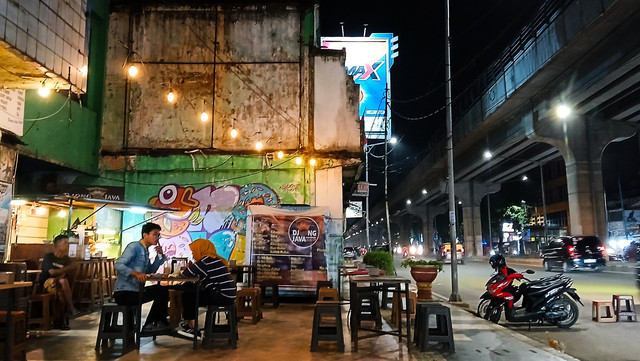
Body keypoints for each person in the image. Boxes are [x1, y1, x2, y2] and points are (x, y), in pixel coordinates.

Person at [114, 222, 170, 332]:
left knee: (162, 290)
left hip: (137, 290)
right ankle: (152, 324)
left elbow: (150, 270)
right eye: (154, 234)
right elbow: (118, 264)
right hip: (125, 292)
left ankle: (156, 322)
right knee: (161, 292)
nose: (157, 237)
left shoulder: (145, 250)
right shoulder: (134, 246)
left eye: (158, 235)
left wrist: (160, 256)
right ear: (145, 235)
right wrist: (136, 273)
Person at [177, 238, 237, 338]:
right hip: (228, 295)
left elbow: (186, 274)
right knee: (192, 291)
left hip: (221, 295)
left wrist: (190, 266)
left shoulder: (205, 261)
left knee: (188, 295)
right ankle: (190, 324)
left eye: (194, 252)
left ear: (200, 250)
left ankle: (192, 327)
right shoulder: (215, 259)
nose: (193, 255)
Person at [40, 234, 79, 329]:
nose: (67, 245)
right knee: (63, 281)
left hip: (59, 284)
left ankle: (60, 323)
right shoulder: (49, 257)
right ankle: (71, 307)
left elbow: (63, 275)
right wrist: (67, 268)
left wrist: (60, 273)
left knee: (61, 292)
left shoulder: (66, 259)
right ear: (57, 245)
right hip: (47, 284)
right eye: (65, 243)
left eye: (68, 243)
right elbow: (51, 272)